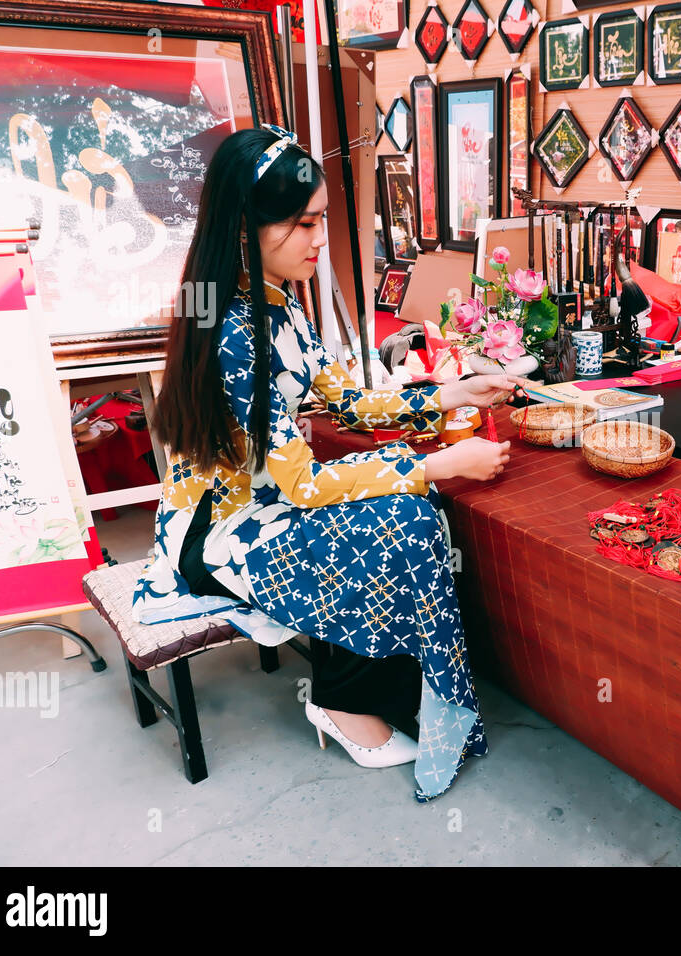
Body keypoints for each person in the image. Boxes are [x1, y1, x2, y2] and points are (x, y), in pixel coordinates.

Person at [137, 125, 528, 801]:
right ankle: (344, 702)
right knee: (402, 514)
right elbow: (303, 482)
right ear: (247, 226)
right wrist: (440, 465)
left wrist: (448, 393)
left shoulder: (279, 305)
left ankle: (395, 690)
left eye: (320, 220)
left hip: (271, 506)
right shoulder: (236, 334)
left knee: (403, 506)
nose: (320, 239)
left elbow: (346, 399)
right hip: (220, 534)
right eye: (304, 222)